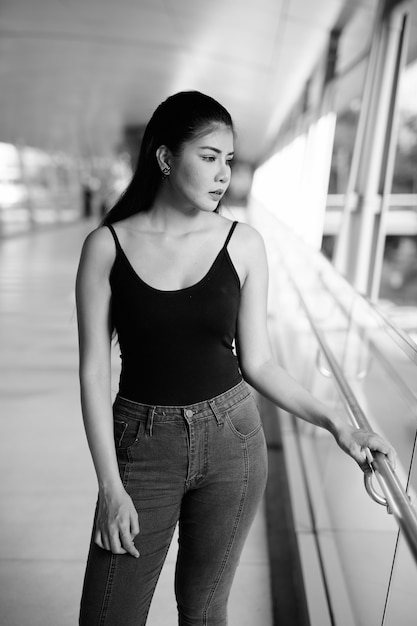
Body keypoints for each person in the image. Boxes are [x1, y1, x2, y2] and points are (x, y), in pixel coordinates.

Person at [75, 91, 395, 626]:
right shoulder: (106, 246)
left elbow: (260, 362)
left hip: (234, 443)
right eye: (209, 156)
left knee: (204, 612)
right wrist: (110, 486)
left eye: (229, 159)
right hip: (141, 448)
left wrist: (341, 423)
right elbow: (92, 371)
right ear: (165, 157)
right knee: (108, 615)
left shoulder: (243, 244)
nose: (224, 173)